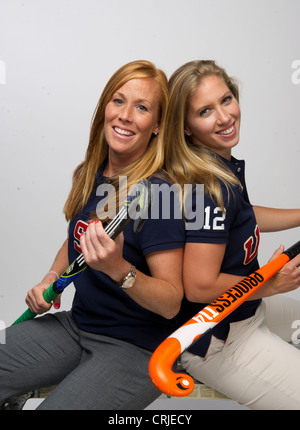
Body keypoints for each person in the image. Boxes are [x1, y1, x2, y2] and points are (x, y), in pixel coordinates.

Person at [0, 60, 197, 410]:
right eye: (118, 101)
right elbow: (76, 238)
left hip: (137, 348)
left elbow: (171, 303)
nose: (124, 115)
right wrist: (50, 277)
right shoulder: (92, 172)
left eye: (142, 108)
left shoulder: (159, 195)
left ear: (157, 126)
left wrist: (118, 269)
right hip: (78, 326)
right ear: (105, 106)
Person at [163, 60, 300, 409]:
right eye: (205, 111)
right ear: (187, 127)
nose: (224, 117)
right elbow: (199, 285)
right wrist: (269, 284)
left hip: (249, 312)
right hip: (219, 341)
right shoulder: (209, 187)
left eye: (226, 100)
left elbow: (243, 218)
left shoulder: (215, 162)